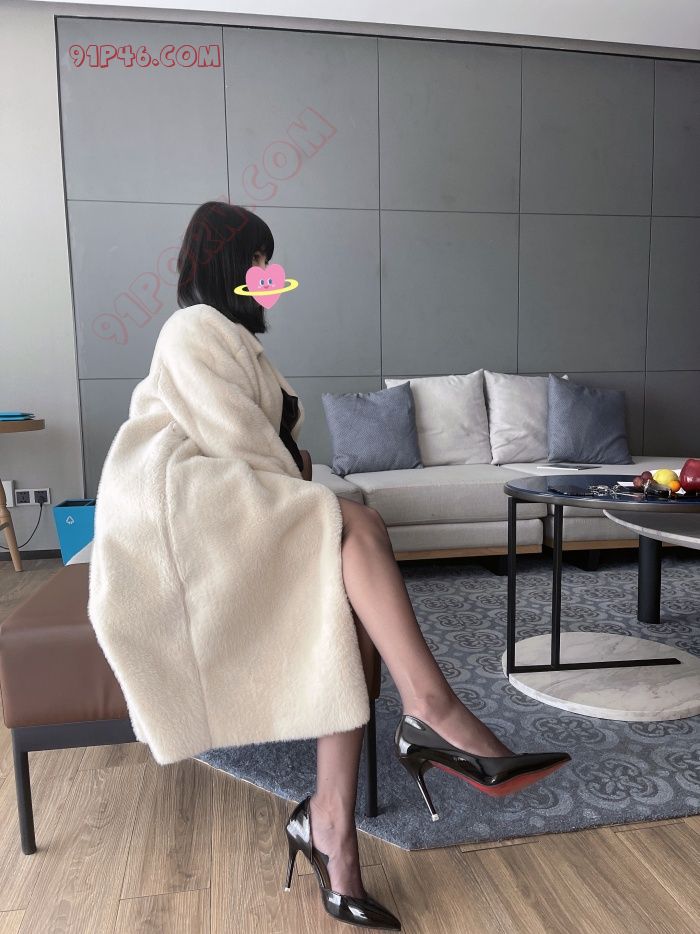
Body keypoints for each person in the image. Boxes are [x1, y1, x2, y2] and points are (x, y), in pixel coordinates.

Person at [176, 202, 572, 931]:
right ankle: (431, 712)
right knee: (357, 522)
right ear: (228, 263)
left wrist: (294, 467)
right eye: (260, 261)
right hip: (203, 525)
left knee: (350, 601)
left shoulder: (235, 342)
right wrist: (295, 471)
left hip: (244, 507)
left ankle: (331, 823)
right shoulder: (195, 330)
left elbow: (270, 449)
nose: (271, 274)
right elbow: (237, 445)